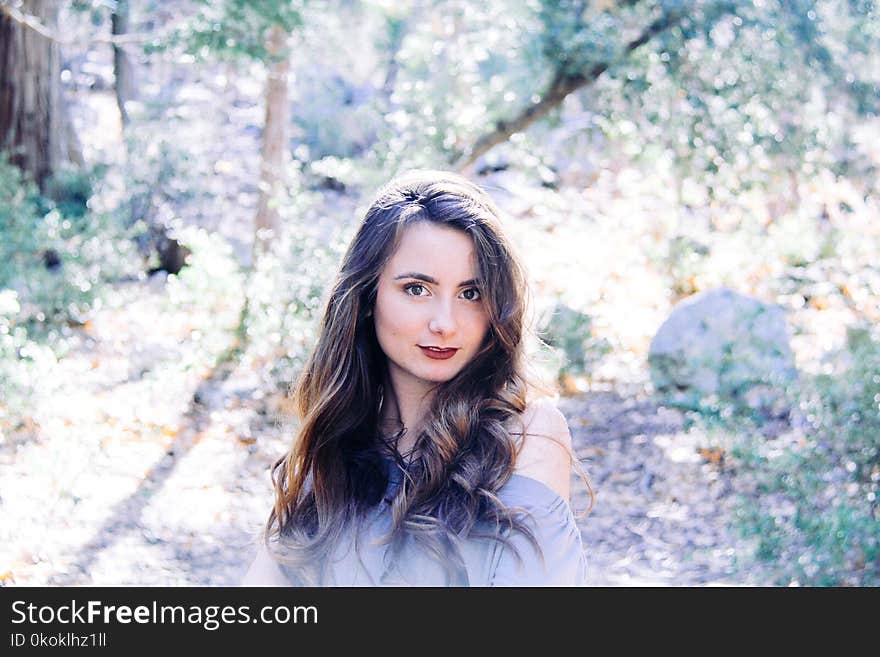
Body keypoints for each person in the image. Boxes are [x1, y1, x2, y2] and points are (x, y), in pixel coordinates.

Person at [242, 169, 592, 586]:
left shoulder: (526, 438)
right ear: (368, 297)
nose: (445, 323)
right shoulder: (334, 454)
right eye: (417, 289)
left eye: (470, 294)